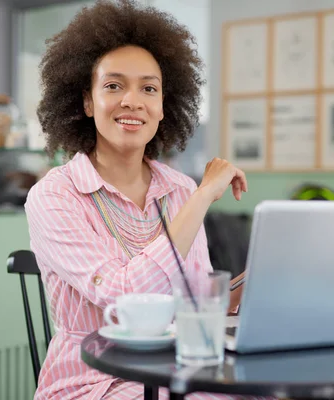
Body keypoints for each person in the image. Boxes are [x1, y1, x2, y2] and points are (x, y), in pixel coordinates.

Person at [25, 1, 257, 399]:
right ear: (86, 101)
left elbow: (194, 296)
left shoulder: (179, 188)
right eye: (114, 85)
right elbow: (123, 296)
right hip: (92, 379)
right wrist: (203, 196)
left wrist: (256, 285)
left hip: (177, 368)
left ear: (163, 105)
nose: (133, 101)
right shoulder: (54, 195)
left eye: (149, 88)